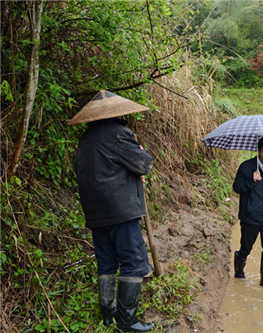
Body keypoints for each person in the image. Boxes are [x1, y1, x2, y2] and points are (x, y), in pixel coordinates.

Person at [73, 92, 155, 332]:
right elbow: (145, 164)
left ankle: (107, 316)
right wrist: (139, 152)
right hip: (121, 210)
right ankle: (127, 322)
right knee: (134, 261)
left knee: (107, 262)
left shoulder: (85, 140)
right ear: (115, 113)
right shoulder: (120, 134)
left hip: (95, 212)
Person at [232, 136, 263, 290]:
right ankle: (239, 271)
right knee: (246, 248)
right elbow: (237, 188)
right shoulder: (247, 167)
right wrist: (251, 181)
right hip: (250, 217)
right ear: (258, 151)